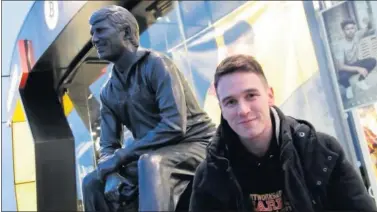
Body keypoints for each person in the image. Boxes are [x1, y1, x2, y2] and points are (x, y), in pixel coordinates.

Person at [190, 54, 377, 211]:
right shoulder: (210, 174)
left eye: (251, 95)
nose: (243, 110)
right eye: (231, 102)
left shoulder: (321, 151)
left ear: (270, 95)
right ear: (221, 108)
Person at [82, 5, 216, 212]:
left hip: (197, 144)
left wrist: (120, 158)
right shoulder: (108, 91)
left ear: (125, 32)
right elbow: (108, 146)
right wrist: (110, 175)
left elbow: (173, 126)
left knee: (153, 164)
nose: (94, 39)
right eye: (92, 33)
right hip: (153, 154)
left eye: (100, 30)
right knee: (92, 182)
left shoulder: (157, 64)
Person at [335, 18, 376, 99]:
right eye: (347, 29)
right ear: (343, 31)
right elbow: (341, 66)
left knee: (373, 61)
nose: (350, 31)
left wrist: (368, 22)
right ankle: (348, 88)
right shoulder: (340, 45)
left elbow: (369, 27)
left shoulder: (357, 35)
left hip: (356, 63)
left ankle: (361, 81)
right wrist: (358, 69)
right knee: (342, 78)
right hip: (346, 68)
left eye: (352, 28)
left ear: (355, 28)